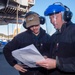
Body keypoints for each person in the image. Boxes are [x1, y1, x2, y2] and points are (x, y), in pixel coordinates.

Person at [36, 2, 75, 75]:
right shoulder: (53, 37)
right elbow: (47, 50)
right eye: (50, 18)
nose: (52, 21)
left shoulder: (73, 31)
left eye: (55, 17)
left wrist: (57, 63)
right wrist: (45, 56)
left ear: (66, 16)